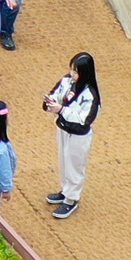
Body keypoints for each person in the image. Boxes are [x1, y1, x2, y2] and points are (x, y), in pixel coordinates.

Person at [43, 51, 99, 219]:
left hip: (78, 136)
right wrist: (50, 103)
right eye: (72, 70)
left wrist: (61, 110)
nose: (72, 74)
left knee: (74, 166)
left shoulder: (90, 95)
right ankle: (65, 191)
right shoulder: (66, 81)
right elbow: (55, 94)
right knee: (63, 162)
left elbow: (84, 120)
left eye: (76, 72)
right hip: (62, 129)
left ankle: (72, 199)